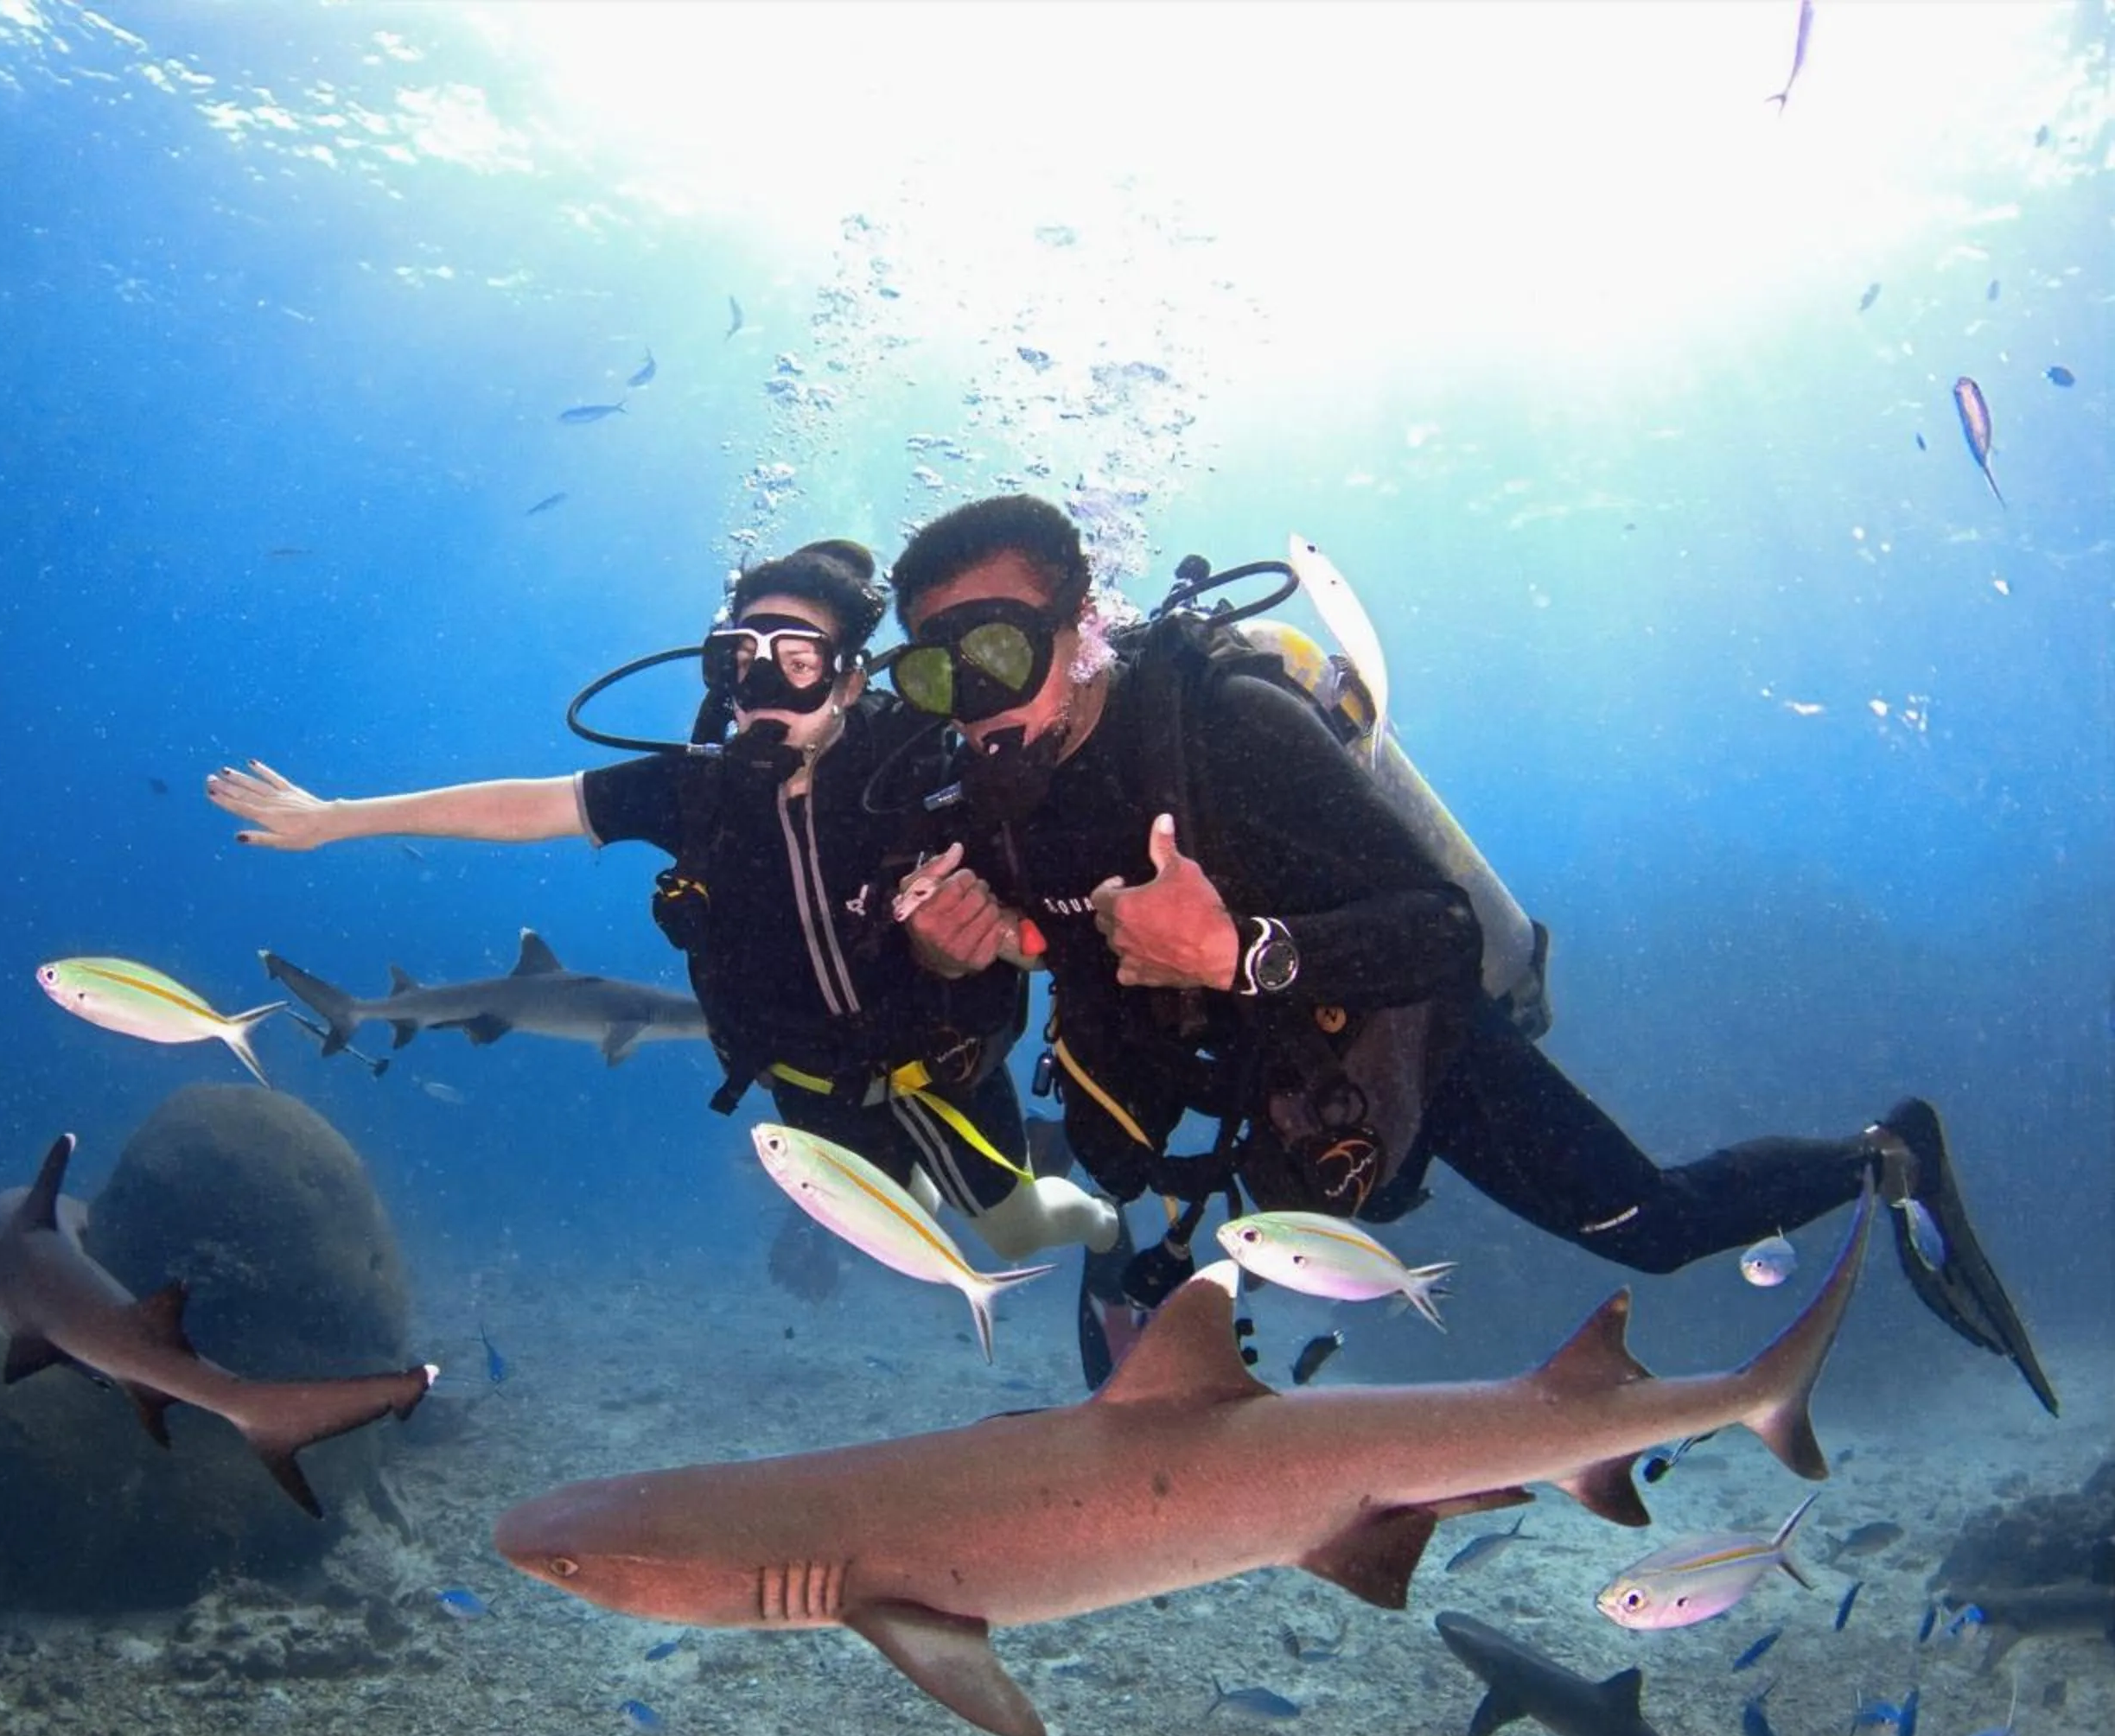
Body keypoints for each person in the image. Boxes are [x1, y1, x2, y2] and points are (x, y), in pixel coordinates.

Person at [881, 494, 2055, 1412]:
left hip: (1410, 1034)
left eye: (995, 653)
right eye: (933, 674)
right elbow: (1056, 954)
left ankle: (1889, 1153)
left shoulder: (1229, 729)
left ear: (1083, 621)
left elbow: (1440, 931)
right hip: (1241, 1079)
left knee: (1653, 1228)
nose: (970, 706)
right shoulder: (984, 796)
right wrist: (966, 953)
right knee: (1121, 1221)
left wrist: (1241, 952)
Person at [207, 538, 1119, 1265]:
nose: (761, 687)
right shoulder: (697, 789)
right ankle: (913, 1187)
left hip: (940, 1070)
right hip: (803, 1089)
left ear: (849, 677)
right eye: (737, 660)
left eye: (797, 659)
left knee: (1014, 1231)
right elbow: (532, 803)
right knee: (893, 1229)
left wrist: (1002, 937)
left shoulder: (925, 762)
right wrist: (338, 819)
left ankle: (1102, 1229)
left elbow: (1056, 911)